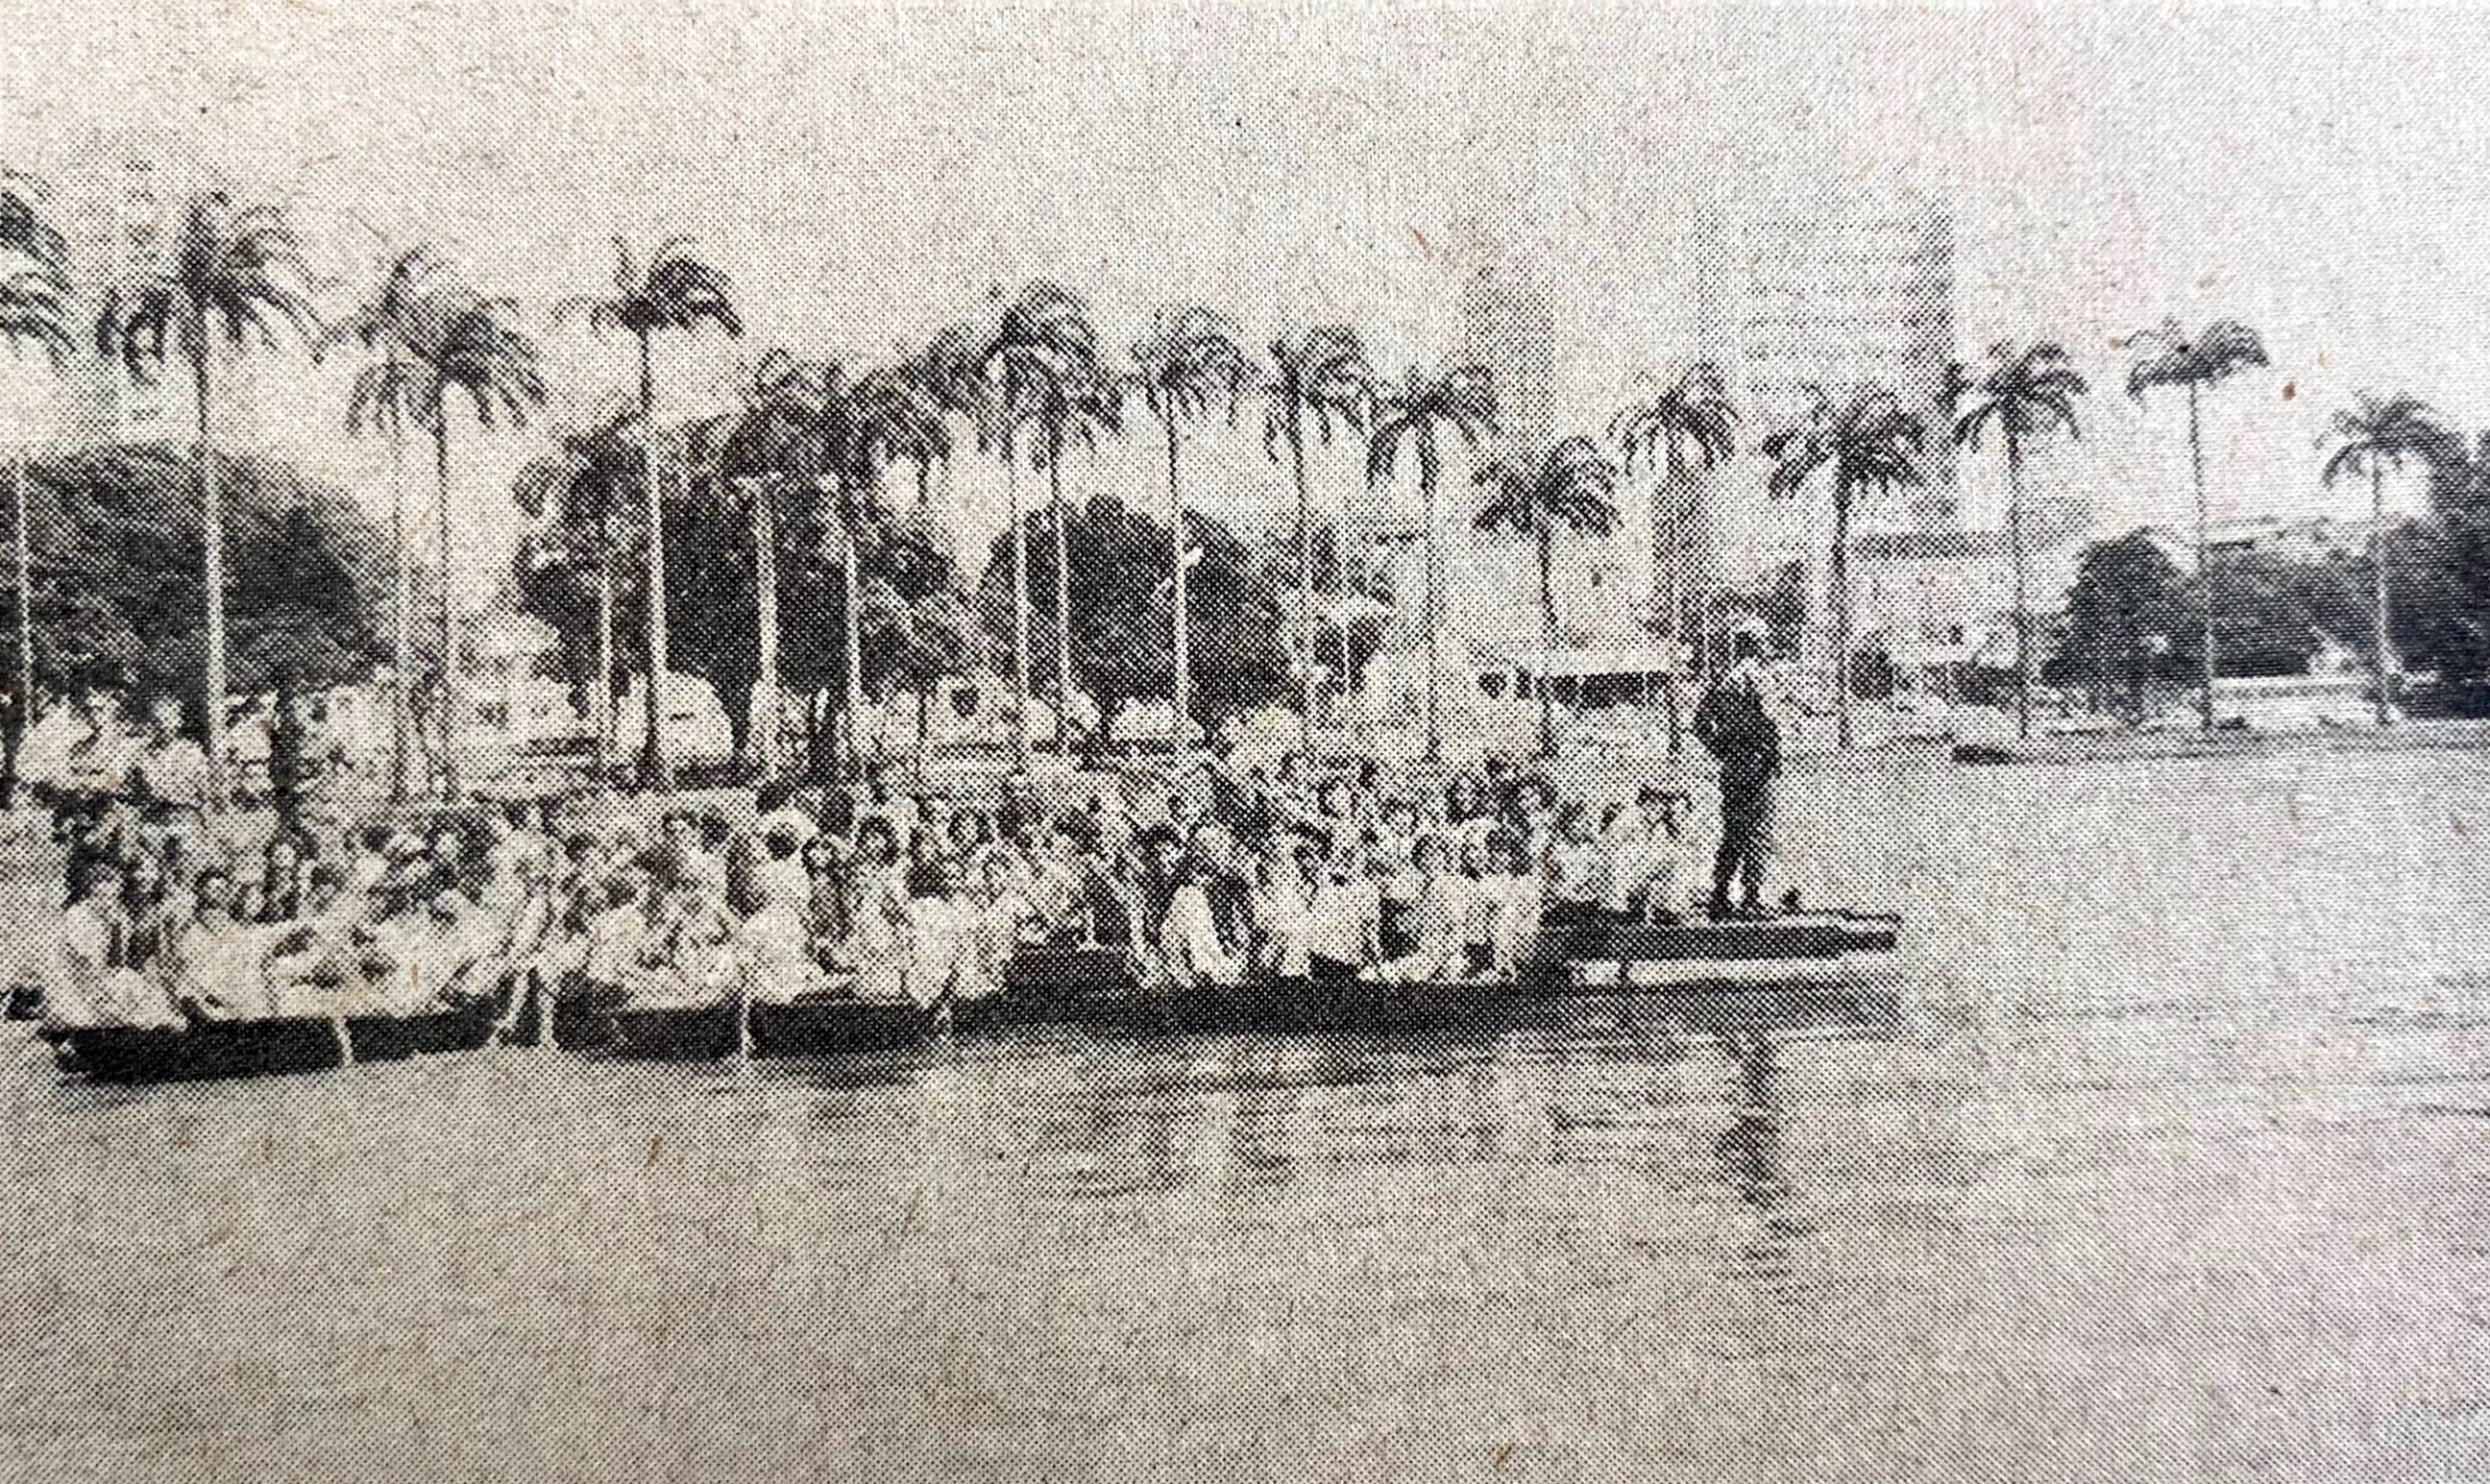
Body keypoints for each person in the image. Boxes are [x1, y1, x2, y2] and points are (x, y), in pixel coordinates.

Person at [1693, 622, 1784, 919]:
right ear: (1755, 644)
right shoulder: (1756, 677)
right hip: (1756, 766)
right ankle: (1752, 899)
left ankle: (1719, 896)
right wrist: (1766, 754)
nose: (1769, 646)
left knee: (1733, 832)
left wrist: (1722, 750)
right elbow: (1770, 723)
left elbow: (1700, 723)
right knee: (1757, 831)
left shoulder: (1725, 679)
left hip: (1734, 766)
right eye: (1765, 641)